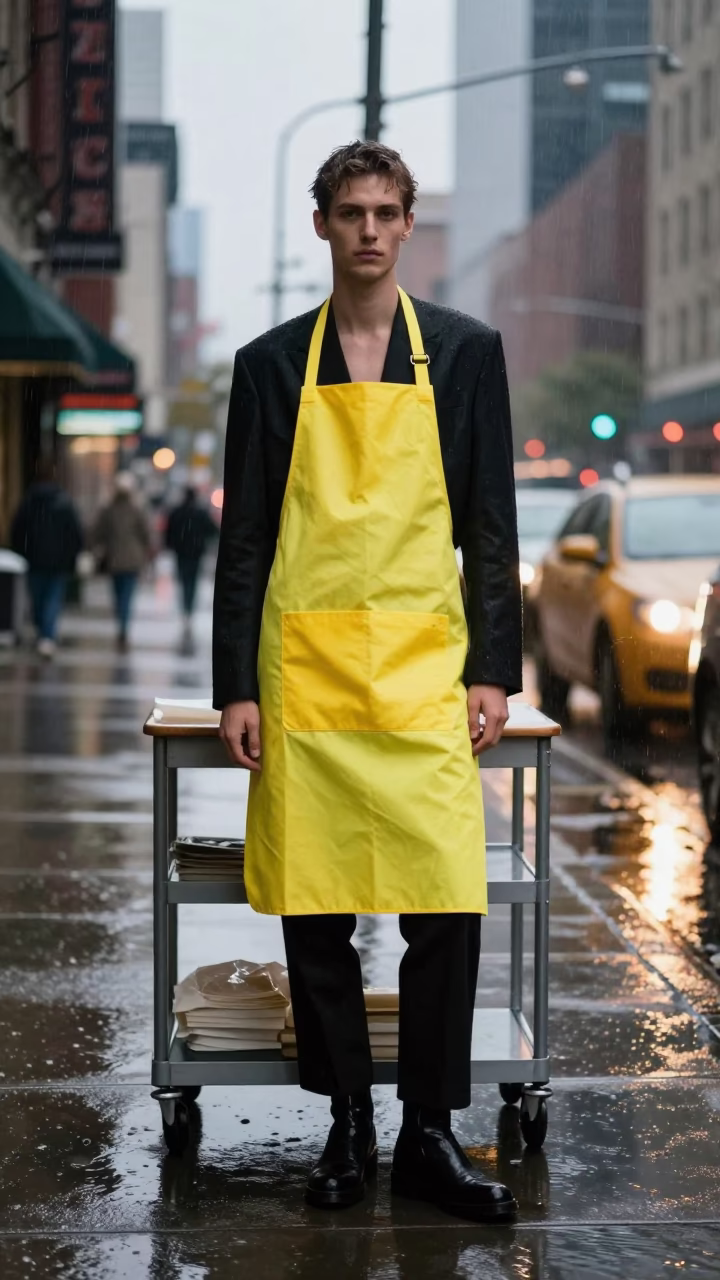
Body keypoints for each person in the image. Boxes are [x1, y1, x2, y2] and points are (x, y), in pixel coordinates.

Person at [213, 141, 522, 1222]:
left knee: (445, 900)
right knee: (316, 905)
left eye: (387, 212)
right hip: (305, 672)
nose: (371, 230)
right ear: (323, 225)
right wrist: (236, 685)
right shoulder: (268, 365)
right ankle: (346, 1122)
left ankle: (428, 1130)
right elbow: (245, 540)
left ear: (407, 223)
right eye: (352, 212)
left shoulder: (467, 354)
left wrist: (494, 670)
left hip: (424, 673)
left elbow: (491, 526)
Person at [10, 458, 84, 658]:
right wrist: (71, 556)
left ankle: (42, 632)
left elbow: (17, 531)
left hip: (34, 559)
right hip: (57, 562)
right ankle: (47, 636)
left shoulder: (29, 502)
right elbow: (75, 534)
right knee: (52, 598)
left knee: (38, 598)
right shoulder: (64, 503)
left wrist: (23, 552)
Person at [92, 472, 151, 651]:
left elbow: (97, 533)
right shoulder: (136, 510)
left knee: (119, 596)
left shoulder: (109, 510)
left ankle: (122, 625)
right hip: (132, 560)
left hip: (115, 560)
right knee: (127, 596)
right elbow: (146, 534)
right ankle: (123, 626)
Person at [165, 487, 218, 629]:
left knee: (184, 581)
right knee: (192, 582)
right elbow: (212, 530)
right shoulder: (200, 513)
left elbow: (169, 531)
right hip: (195, 554)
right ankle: (189, 609)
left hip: (181, 553)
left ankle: (186, 608)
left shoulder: (177, 512)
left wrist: (171, 544)